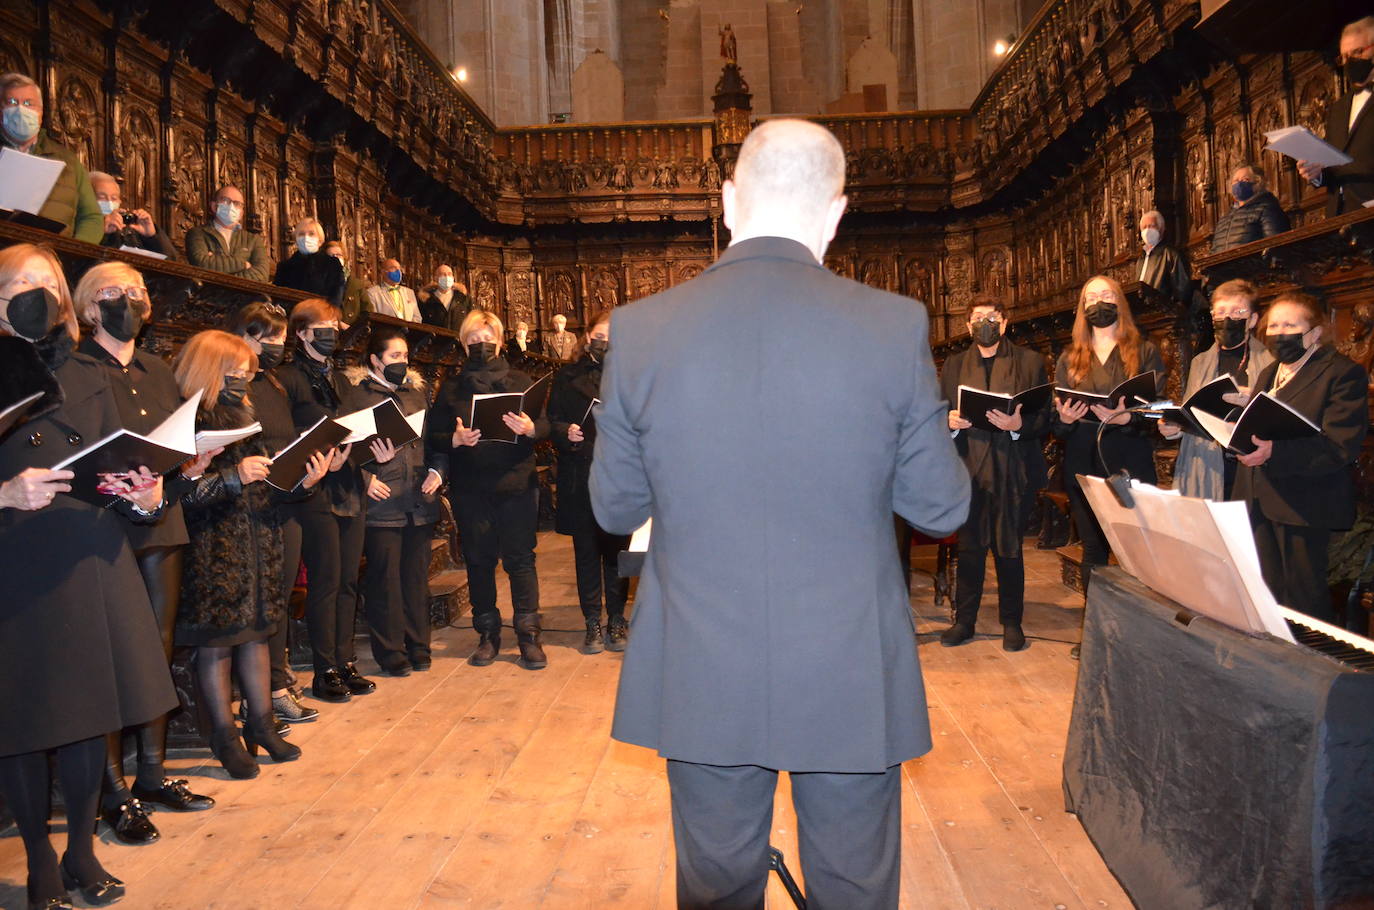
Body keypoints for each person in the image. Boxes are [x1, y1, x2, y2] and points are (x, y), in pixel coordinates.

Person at [590, 119, 970, 909]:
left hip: (701, 661)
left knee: (718, 882)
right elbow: (940, 506)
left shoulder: (641, 329)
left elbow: (614, 504)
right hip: (849, 663)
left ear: (729, 201)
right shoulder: (895, 323)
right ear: (837, 212)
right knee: (853, 885)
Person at [0, 242, 175, 910]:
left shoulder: (83, 369)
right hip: (15, 560)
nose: (35, 291)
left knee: (85, 716)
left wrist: (143, 494)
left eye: (46, 281)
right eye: (19, 281)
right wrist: (4, 493)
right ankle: (41, 861)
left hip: (88, 558)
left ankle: (79, 849)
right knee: (21, 720)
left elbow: (115, 464)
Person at [71, 261, 214, 845]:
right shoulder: (76, 368)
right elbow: (76, 455)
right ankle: (114, 791)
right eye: (111, 292)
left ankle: (152, 775)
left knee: (156, 651)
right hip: (104, 530)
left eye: (134, 291)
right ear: (86, 306)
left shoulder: (158, 369)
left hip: (162, 524)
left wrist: (190, 465)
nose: (126, 299)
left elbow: (170, 449)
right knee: (110, 657)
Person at [172, 330, 328, 778]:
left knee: (258, 635)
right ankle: (224, 735)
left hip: (259, 541)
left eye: (247, 372)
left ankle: (261, 723)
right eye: (235, 372)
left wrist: (300, 481)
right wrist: (234, 476)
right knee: (218, 646)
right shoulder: (188, 419)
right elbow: (179, 496)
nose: (243, 379)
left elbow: (266, 483)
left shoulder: (245, 412)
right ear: (209, 370)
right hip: (214, 550)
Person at [1233, 292, 1369, 623]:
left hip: (1305, 507)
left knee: (1303, 604)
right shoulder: (1268, 373)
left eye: (1291, 325)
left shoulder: (1341, 373)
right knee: (1266, 595)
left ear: (1315, 332)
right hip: (1259, 499)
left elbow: (1339, 445)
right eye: (1274, 325)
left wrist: (1274, 452)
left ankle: (1310, 670)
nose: (1280, 333)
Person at [428, 310, 550, 670]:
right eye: (473, 341)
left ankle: (528, 635)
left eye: (487, 339)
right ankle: (487, 634)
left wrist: (531, 429)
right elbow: (432, 435)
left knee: (520, 560)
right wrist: (454, 438)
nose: (481, 346)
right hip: (472, 487)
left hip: (516, 483)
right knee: (480, 562)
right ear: (464, 344)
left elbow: (544, 424)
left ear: (499, 340)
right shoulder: (451, 388)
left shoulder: (520, 379)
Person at [1053, 274, 1166, 654]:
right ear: (1082, 308)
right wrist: (1064, 421)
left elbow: (1157, 413)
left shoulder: (1144, 350)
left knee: (1136, 552)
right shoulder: (1070, 357)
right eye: (1091, 296)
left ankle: (1139, 636)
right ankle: (1097, 634)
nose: (1099, 301)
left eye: (1106, 294)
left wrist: (1128, 418)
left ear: (1119, 300)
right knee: (1094, 551)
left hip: (1129, 460)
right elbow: (1057, 426)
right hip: (1084, 460)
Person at [279, 298, 376, 701]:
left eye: (336, 324)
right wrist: (324, 458)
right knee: (326, 582)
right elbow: (286, 436)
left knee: (349, 581)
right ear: (301, 333)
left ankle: (345, 659)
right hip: (314, 488)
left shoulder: (342, 380)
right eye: (323, 325)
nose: (333, 331)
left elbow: (356, 428)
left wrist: (355, 453)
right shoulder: (287, 379)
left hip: (348, 486)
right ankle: (324, 670)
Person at [228, 301, 320, 725]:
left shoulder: (277, 384)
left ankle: (276, 683)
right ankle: (260, 693)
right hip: (249, 511)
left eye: (283, 338)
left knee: (280, 600)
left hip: (287, 503)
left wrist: (311, 470)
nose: (278, 347)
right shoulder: (231, 387)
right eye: (270, 338)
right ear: (245, 337)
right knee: (259, 606)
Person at [939, 299, 1050, 652]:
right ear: (968, 325)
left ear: (1004, 323)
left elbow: (1043, 417)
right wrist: (950, 422)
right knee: (969, 549)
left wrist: (1019, 425)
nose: (983, 323)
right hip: (969, 466)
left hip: (1011, 466)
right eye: (976, 318)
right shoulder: (954, 365)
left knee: (1009, 549)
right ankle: (965, 621)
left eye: (991, 318)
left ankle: (1012, 621)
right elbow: (939, 411)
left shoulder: (1030, 362)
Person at [344, 327, 443, 675]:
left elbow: (435, 444)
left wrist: (438, 472)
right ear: (374, 359)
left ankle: (419, 645)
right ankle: (391, 652)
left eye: (405, 356)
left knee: (416, 579)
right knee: (384, 582)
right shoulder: (356, 396)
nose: (402, 362)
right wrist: (365, 478)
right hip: (381, 502)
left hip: (417, 497)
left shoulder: (417, 394)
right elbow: (340, 450)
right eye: (394, 356)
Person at [548, 309, 630, 653]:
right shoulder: (567, 377)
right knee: (586, 553)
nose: (604, 342)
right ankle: (592, 623)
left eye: (611, 338)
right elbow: (550, 421)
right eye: (599, 336)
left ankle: (616, 620)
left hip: (619, 475)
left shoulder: (630, 376)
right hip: (581, 472)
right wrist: (565, 431)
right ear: (587, 337)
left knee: (617, 554)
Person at [1159, 279, 1272, 500]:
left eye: (1238, 311)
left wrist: (1253, 401)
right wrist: (1176, 428)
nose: (1227, 319)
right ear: (1212, 318)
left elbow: (1279, 420)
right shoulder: (1200, 362)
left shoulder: (1270, 361)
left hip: (1250, 464)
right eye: (1220, 312)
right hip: (1208, 461)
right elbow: (1192, 411)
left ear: (1253, 319)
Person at [0, 73, 103, 243]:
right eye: (12, 103)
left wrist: (74, 253)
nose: (20, 109)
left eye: (28, 103)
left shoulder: (68, 161)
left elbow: (91, 217)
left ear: (40, 112)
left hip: (54, 258)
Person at [1298, 16, 1374, 215]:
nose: (1350, 63)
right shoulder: (1338, 108)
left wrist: (1336, 165)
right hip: (1339, 215)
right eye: (1344, 57)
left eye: (1357, 52)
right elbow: (1333, 164)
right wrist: (1316, 173)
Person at [184, 185, 270, 282]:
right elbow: (202, 263)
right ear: (214, 206)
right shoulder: (197, 233)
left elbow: (262, 274)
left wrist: (223, 273)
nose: (231, 206)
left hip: (245, 296)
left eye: (237, 203)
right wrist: (244, 265)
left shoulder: (253, 240)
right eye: (225, 200)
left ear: (241, 213)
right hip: (210, 295)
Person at [87, 171, 178, 259]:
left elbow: (172, 262)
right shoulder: (80, 227)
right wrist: (101, 232)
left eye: (114, 198)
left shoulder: (131, 226)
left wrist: (152, 236)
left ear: (119, 202)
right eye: (102, 198)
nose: (109, 203)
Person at [1209, 164, 1290, 253]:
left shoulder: (1267, 209)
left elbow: (1276, 245)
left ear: (1257, 183)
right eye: (1235, 181)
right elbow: (1214, 252)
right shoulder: (1224, 220)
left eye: (1245, 180)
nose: (1239, 184)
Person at [273, 217, 345, 307]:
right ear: (296, 239)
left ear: (320, 240)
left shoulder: (332, 264)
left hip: (322, 315)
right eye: (301, 234)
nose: (306, 237)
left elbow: (336, 298)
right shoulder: (285, 267)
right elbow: (277, 297)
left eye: (311, 234)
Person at [1136, 210, 1190, 305]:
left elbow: (1182, 289)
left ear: (1161, 228)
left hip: (1165, 312)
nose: (1147, 230)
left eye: (1152, 226)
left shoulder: (1171, 254)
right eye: (1144, 227)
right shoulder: (1141, 259)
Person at [323, 240, 368, 326]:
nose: (335, 258)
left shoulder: (357, 284)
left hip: (352, 333)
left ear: (345, 258)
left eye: (338, 255)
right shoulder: (320, 281)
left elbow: (367, 310)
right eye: (331, 256)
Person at [418, 264, 470, 330]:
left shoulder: (463, 297)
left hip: (458, 338)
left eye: (449, 274)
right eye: (443, 274)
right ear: (436, 278)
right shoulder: (427, 299)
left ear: (453, 277)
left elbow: (473, 319)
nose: (447, 277)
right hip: (435, 338)